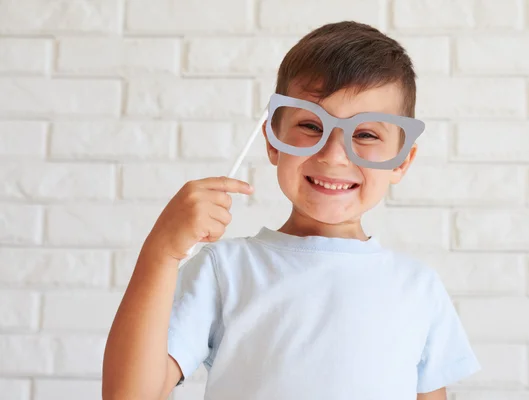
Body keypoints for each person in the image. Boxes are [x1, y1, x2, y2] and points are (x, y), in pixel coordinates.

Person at [102, 20, 480, 400]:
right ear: (272, 140)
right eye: (311, 126)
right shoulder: (226, 270)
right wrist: (161, 254)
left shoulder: (418, 287)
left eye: (365, 134)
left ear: (401, 160)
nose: (333, 156)